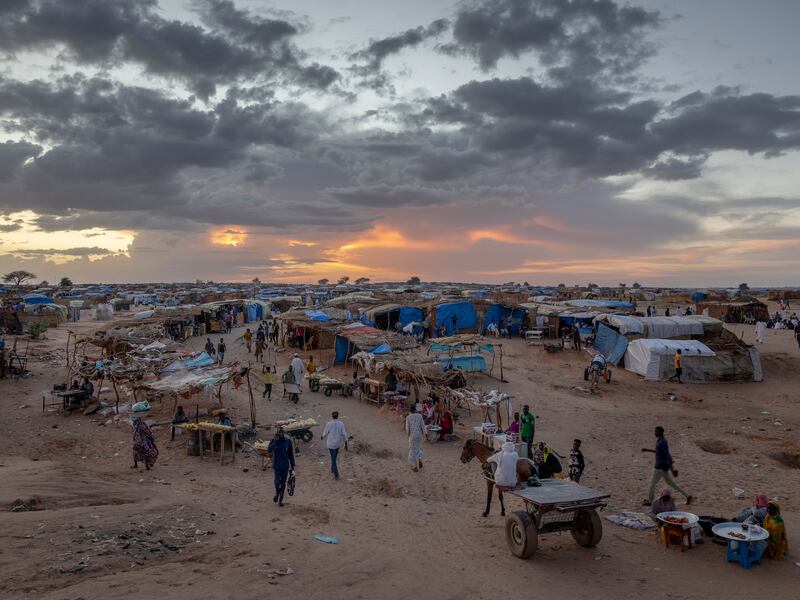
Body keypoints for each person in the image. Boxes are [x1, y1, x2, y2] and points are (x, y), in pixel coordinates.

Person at [642, 426, 693, 506]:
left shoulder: (663, 442)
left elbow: (667, 456)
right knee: (672, 484)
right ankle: (688, 496)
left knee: (652, 484)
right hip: (664, 467)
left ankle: (651, 502)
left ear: (660, 432)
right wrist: (648, 450)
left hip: (660, 467)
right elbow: (659, 452)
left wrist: (672, 470)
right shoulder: (660, 441)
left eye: (656, 431)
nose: (655, 433)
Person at [267, 427, 295, 506]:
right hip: (277, 466)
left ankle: (280, 501)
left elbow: (291, 455)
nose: (281, 434)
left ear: (284, 433)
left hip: (285, 466)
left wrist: (292, 467)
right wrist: (275, 442)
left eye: (282, 433)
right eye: (279, 433)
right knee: (277, 482)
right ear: (277, 433)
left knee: (283, 483)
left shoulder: (288, 441)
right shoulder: (274, 441)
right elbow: (269, 449)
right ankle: (277, 492)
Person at [322, 411, 348, 480]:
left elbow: (325, 432)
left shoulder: (329, 424)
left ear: (332, 416)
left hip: (330, 444)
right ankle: (333, 469)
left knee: (333, 458)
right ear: (338, 416)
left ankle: (336, 473)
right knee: (334, 457)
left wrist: (322, 436)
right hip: (337, 444)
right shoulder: (341, 424)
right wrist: (346, 444)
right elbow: (344, 434)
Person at [405, 404, 425, 472]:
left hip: (412, 436)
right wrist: (424, 435)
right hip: (419, 436)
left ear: (410, 410)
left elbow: (407, 429)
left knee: (412, 450)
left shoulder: (408, 417)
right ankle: (419, 459)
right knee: (418, 448)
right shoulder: (420, 416)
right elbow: (423, 426)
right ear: (415, 409)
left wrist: (407, 436)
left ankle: (414, 466)